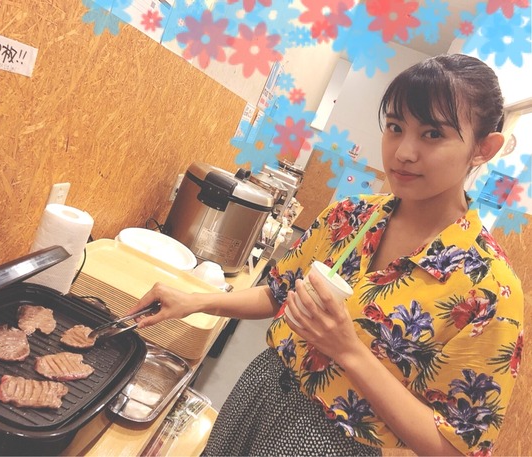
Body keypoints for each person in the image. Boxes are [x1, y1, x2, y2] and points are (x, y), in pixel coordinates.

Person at [132, 54, 523, 456]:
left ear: (483, 148)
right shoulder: (351, 216)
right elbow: (278, 293)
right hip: (261, 388)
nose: (404, 152)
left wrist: (347, 349)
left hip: (336, 443)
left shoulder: (490, 291)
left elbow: (456, 447)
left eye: (433, 134)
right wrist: (196, 301)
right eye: (395, 127)